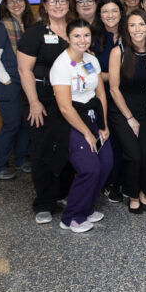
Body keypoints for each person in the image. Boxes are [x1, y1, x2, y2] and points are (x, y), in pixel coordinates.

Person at [17, 0, 72, 224]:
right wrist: (34, 102)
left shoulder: (74, 30)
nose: (58, 5)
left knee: (67, 147)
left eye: (62, 1)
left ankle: (63, 193)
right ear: (45, 6)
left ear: (68, 5)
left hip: (68, 100)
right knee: (42, 149)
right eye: (53, 2)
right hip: (42, 100)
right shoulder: (35, 33)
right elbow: (24, 69)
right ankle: (44, 202)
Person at [50, 19, 112, 233]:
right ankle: (71, 217)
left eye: (86, 35)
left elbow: (101, 93)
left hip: (95, 117)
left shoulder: (91, 60)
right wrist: (86, 133)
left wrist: (103, 125)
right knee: (89, 168)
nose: (82, 40)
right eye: (77, 36)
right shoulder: (61, 65)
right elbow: (65, 107)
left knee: (106, 163)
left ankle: (85, 208)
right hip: (73, 121)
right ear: (67, 37)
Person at [108, 10, 146, 214]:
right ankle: (132, 194)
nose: (137, 29)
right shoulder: (118, 52)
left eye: (141, 24)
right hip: (122, 110)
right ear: (126, 29)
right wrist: (129, 118)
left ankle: (144, 192)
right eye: (132, 25)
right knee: (134, 156)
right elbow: (113, 89)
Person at [0, 0, 34, 180]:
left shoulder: (28, 26)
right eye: (11, 2)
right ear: (5, 6)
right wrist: (7, 81)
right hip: (10, 83)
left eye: (19, 0)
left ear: (25, 2)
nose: (16, 4)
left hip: (26, 81)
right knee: (12, 124)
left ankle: (21, 160)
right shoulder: (1, 28)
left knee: (25, 123)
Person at [92, 0, 125, 203]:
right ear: (99, 15)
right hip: (101, 95)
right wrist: (114, 75)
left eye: (114, 11)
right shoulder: (93, 38)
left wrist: (111, 75)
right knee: (109, 140)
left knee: (125, 141)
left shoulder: (130, 33)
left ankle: (123, 180)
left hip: (127, 95)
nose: (110, 15)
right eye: (105, 11)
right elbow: (91, 73)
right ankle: (110, 182)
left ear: (121, 13)